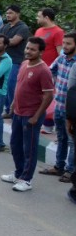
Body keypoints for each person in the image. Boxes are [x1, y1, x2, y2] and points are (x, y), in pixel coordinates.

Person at [0, 38, 55, 192]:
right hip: (18, 112)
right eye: (27, 48)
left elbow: (49, 95)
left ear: (41, 52)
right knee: (15, 144)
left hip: (31, 115)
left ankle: (26, 179)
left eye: (32, 49)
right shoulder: (24, 64)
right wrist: (12, 105)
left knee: (29, 148)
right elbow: (19, 85)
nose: (28, 51)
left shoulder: (43, 70)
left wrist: (37, 116)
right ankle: (18, 174)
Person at [41, 33, 76, 181]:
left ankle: (70, 170)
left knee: (72, 140)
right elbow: (49, 71)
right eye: (64, 43)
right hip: (59, 106)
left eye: (68, 44)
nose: (65, 46)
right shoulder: (61, 58)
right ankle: (58, 166)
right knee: (61, 137)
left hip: (72, 110)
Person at [0, 5, 30, 117]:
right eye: (7, 13)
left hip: (15, 61)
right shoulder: (5, 26)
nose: (8, 15)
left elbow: (14, 41)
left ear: (18, 14)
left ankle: (14, 111)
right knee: (4, 86)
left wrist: (1, 42)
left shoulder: (23, 27)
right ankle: (8, 110)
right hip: (3, 60)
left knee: (12, 86)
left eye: (11, 13)